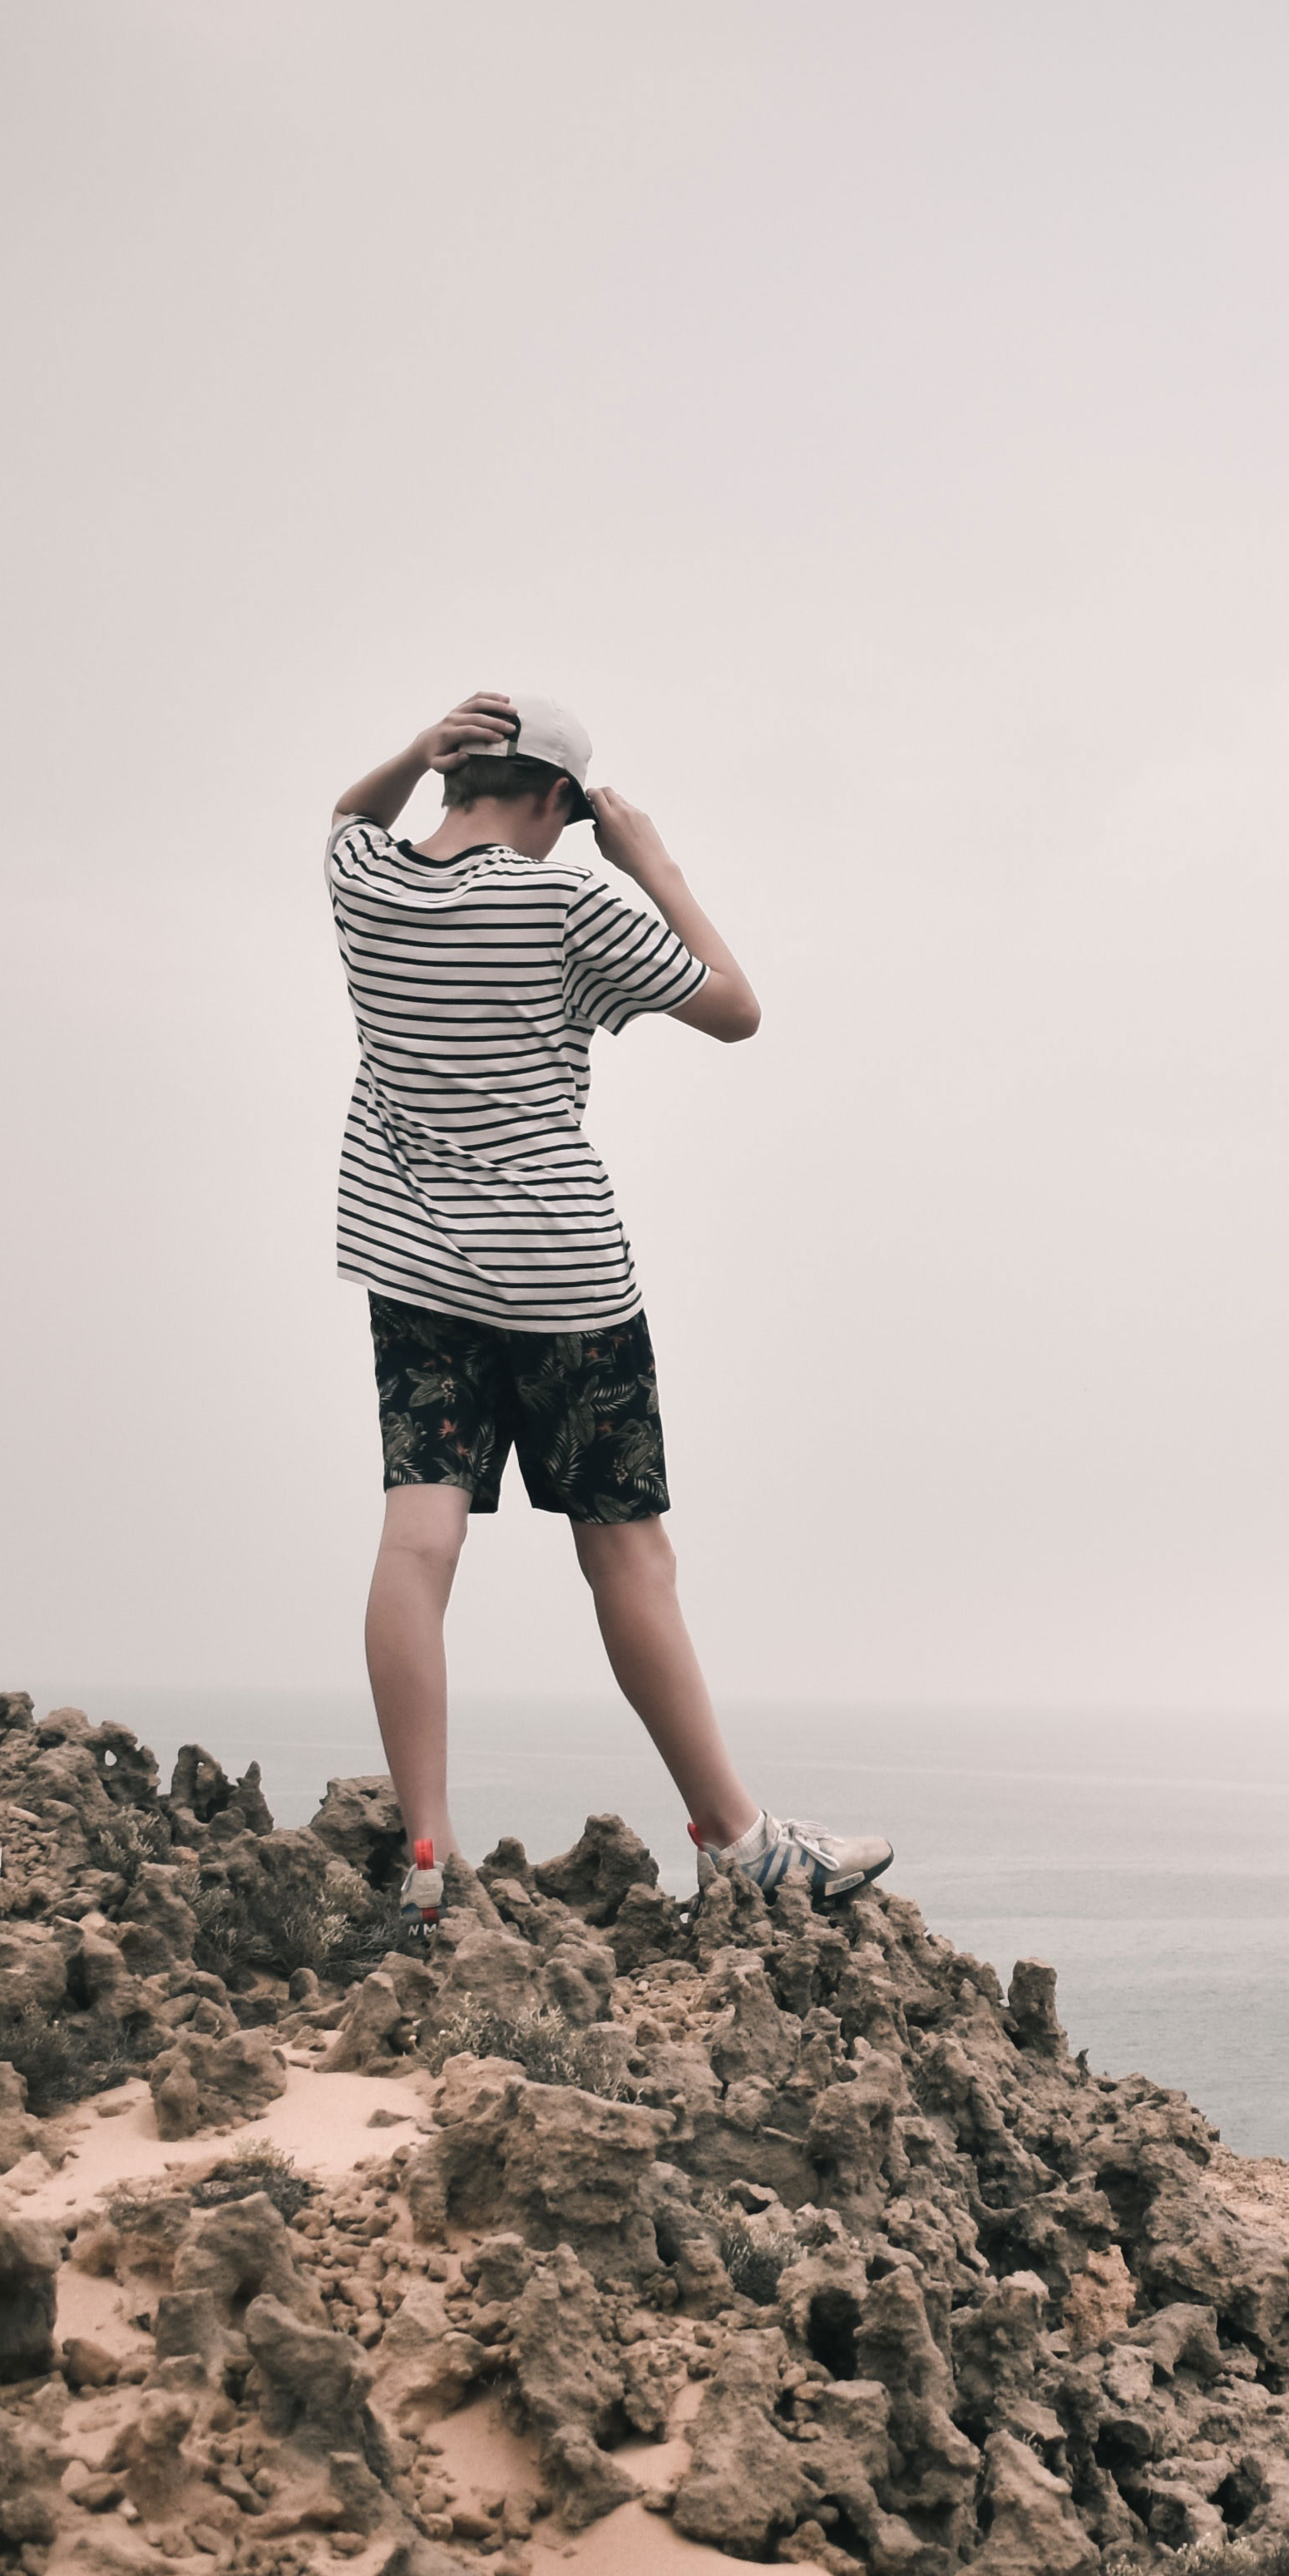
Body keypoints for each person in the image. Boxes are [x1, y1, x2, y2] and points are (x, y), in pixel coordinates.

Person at [323, 689, 891, 1927]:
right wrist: (658, 866)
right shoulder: (572, 900)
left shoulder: (365, 884)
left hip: (418, 1271)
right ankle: (740, 1839)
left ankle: (428, 1859)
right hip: (564, 1275)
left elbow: (348, 815)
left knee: (417, 1545)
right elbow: (735, 1009)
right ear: (561, 803)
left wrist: (407, 755)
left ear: (450, 775)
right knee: (628, 1558)